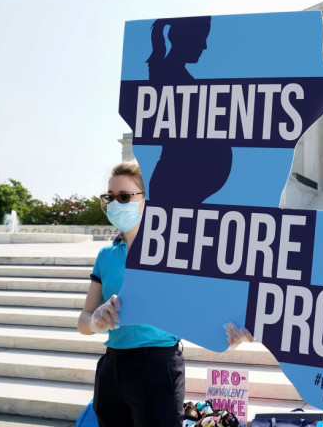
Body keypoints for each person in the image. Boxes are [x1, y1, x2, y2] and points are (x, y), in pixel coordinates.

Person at [78, 161, 252, 427]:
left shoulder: (175, 253)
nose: (115, 204)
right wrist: (95, 321)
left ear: (148, 200)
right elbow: (84, 321)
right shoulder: (106, 255)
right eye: (110, 197)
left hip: (158, 366)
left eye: (124, 196)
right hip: (112, 368)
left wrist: (234, 336)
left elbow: (206, 313)